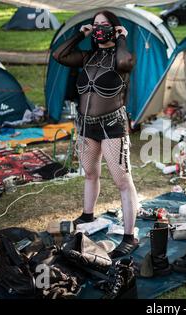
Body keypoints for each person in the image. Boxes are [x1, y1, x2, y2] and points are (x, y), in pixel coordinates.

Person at [52, 11, 139, 258]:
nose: (99, 28)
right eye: (96, 24)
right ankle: (88, 214)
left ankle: (129, 236)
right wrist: (81, 33)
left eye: (105, 25)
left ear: (115, 28)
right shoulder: (88, 56)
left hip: (112, 125)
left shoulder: (122, 56)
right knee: (90, 173)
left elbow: (124, 64)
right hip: (86, 125)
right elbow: (59, 55)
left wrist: (122, 38)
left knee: (122, 180)